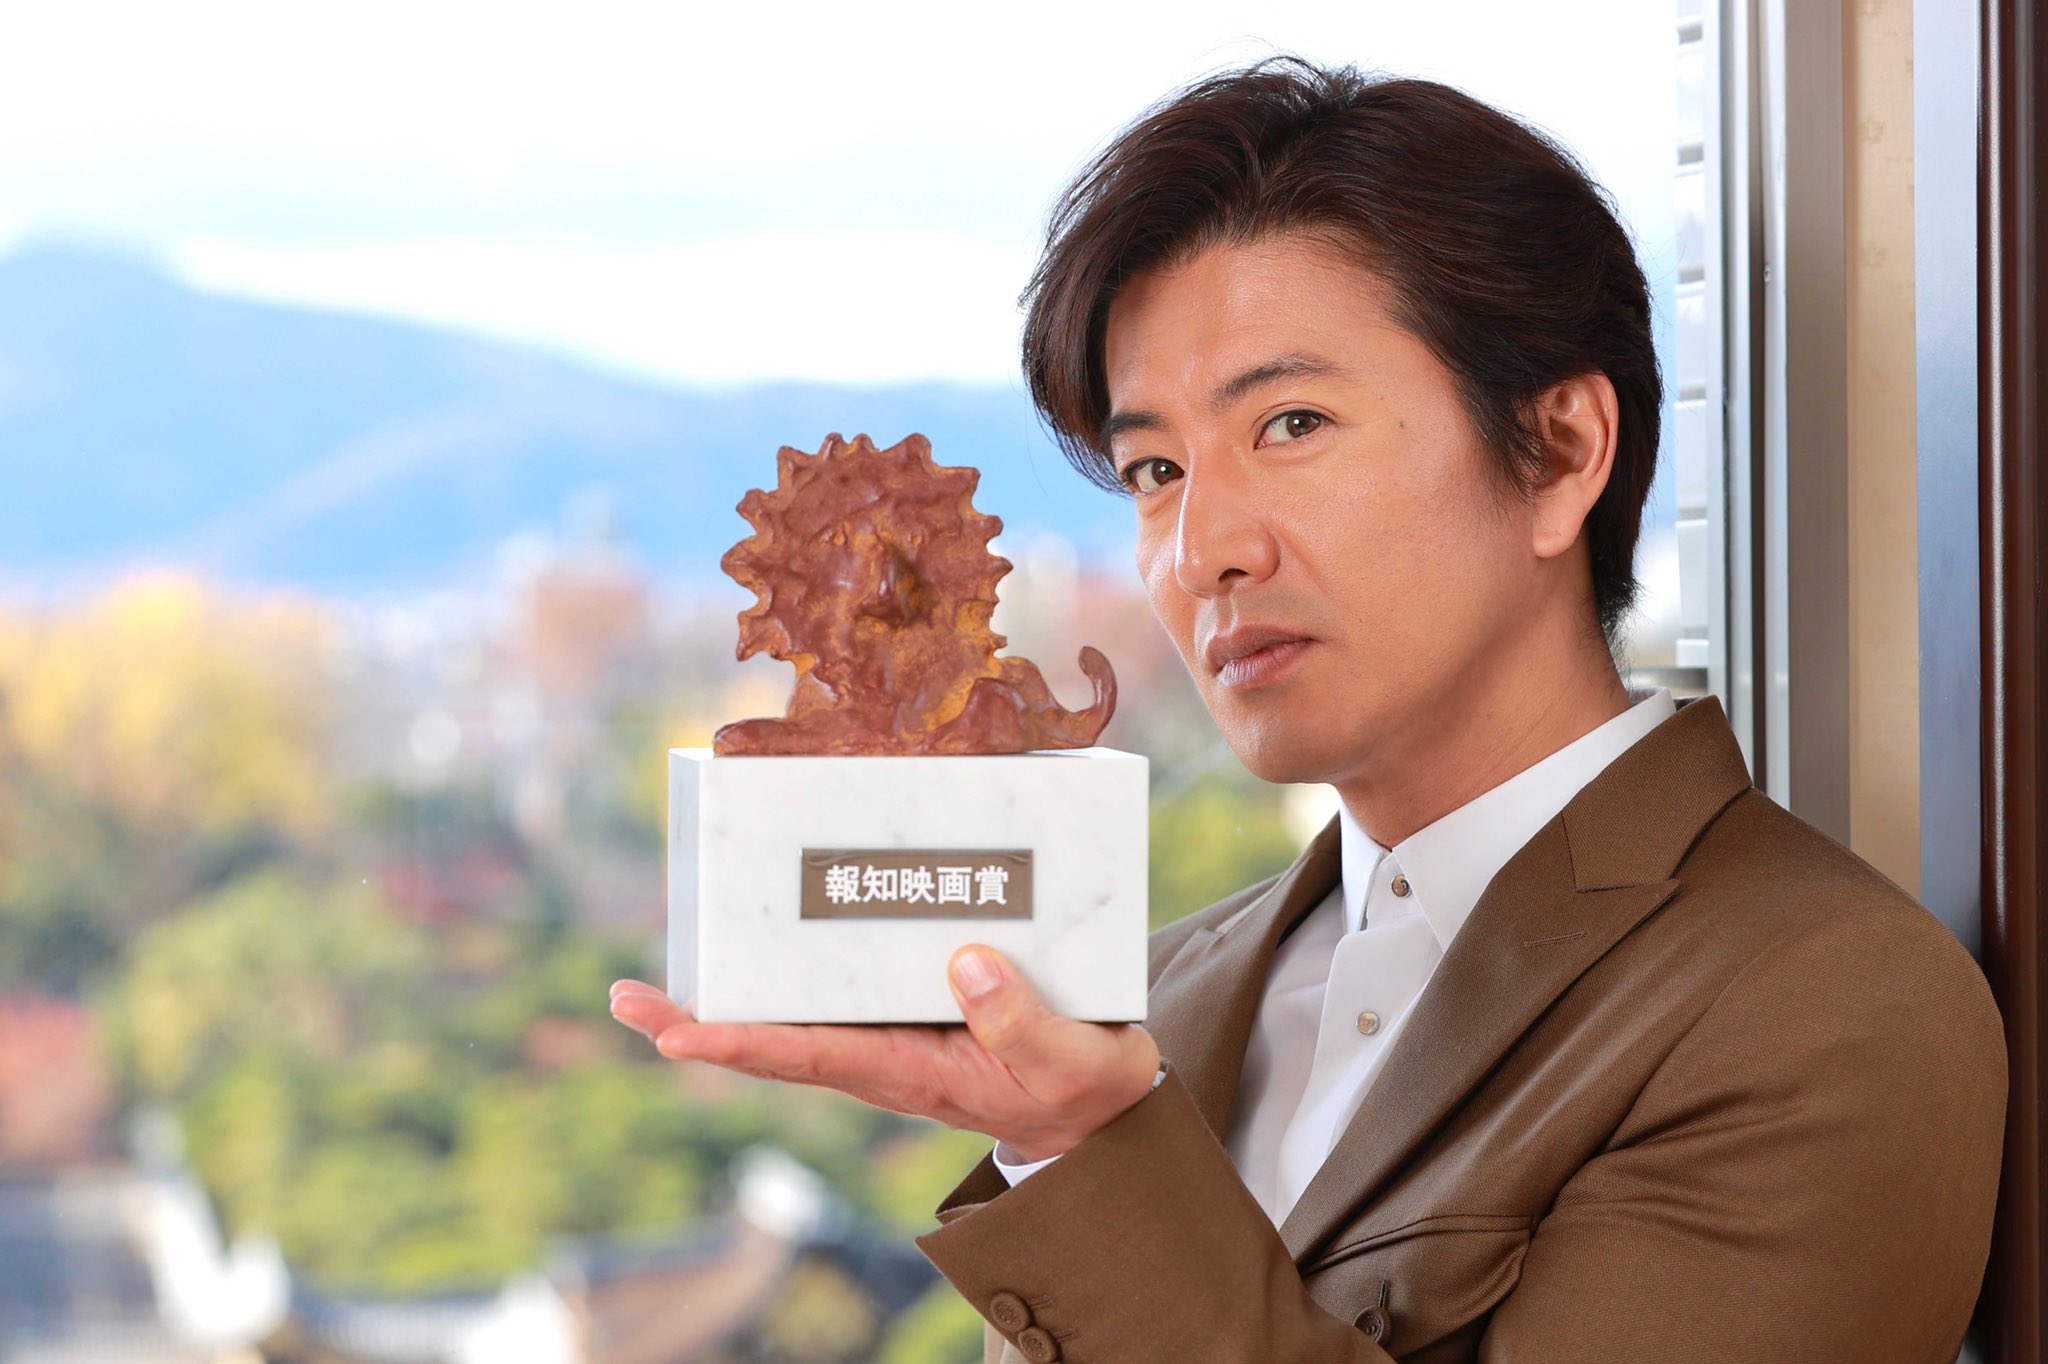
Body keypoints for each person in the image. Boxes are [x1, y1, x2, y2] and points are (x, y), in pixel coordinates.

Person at [609, 58, 2007, 1362]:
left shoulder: (1818, 1001)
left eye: (1290, 426)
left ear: (1561, 451)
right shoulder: (1145, 996)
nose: (1202, 549)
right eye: (1155, 471)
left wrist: (1088, 1156)